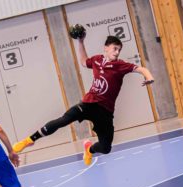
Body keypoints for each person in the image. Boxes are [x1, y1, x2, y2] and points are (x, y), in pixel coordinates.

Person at [12, 35, 155, 165]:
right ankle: (29, 140)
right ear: (106, 48)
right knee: (63, 120)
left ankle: (89, 149)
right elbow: (83, 61)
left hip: (105, 112)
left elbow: (141, 69)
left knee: (105, 148)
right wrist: (80, 42)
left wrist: (149, 77)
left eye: (119, 50)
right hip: (88, 104)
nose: (117, 52)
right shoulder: (97, 60)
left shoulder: (120, 65)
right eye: (115, 48)